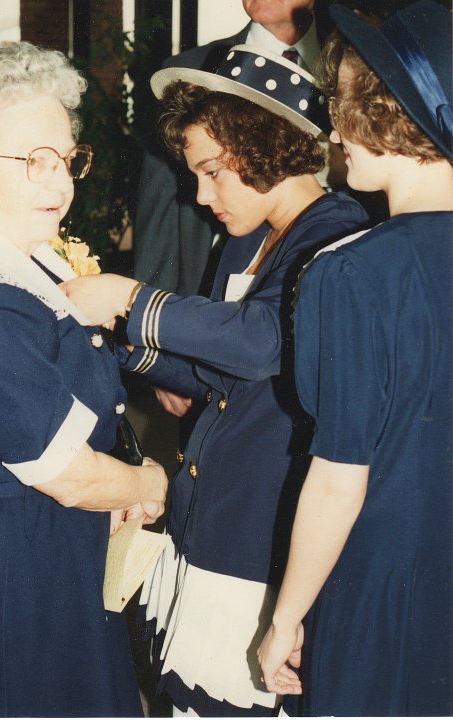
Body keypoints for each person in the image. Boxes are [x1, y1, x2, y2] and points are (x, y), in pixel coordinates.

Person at [62, 46, 369, 716]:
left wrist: (130, 301)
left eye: (211, 172)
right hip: (211, 525)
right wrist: (118, 343)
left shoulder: (334, 235)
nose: (200, 195)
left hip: (260, 541)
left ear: (261, 146)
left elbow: (260, 343)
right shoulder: (246, 239)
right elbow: (212, 367)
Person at [0, 41, 168, 717]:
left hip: (44, 555)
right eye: (32, 160)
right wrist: (149, 483)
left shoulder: (18, 261)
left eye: (67, 160)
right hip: (14, 574)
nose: (61, 183)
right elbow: (70, 477)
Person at [257, 1, 453, 715]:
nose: (334, 130)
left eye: (342, 108)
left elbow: (339, 479)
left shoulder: (350, 273)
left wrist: (284, 619)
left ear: (386, 117)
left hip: (386, 584)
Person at [134, 0, 332, 297]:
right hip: (206, 293)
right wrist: (146, 311)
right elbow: (160, 214)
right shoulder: (189, 70)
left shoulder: (353, 66)